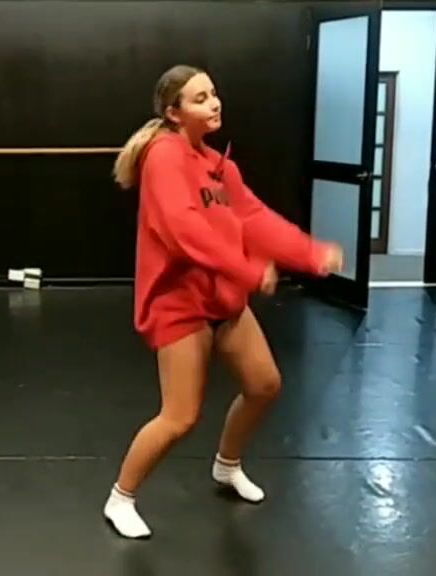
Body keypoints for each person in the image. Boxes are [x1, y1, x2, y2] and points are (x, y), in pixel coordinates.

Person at [103, 64, 344, 539]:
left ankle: (227, 465)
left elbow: (254, 218)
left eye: (213, 94)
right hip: (180, 304)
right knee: (179, 417)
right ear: (174, 113)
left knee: (264, 385)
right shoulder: (164, 157)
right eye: (199, 98)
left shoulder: (218, 164)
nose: (214, 103)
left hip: (223, 300)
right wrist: (248, 271)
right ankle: (121, 497)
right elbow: (183, 231)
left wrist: (310, 254)